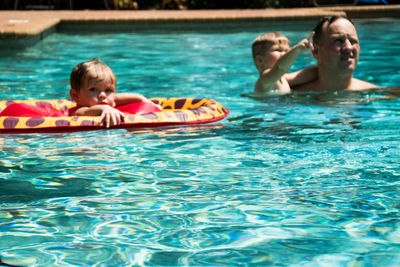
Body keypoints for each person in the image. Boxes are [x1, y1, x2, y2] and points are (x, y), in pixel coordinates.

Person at [292, 15, 377, 91]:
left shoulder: (375, 94)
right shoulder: (292, 96)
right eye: (338, 41)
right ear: (316, 51)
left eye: (353, 41)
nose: (348, 47)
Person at [69, 58, 161, 128]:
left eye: (108, 90)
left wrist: (145, 101)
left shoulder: (107, 100)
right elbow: (86, 112)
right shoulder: (78, 111)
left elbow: (121, 97)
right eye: (93, 89)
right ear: (75, 95)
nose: (103, 95)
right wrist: (104, 108)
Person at [251, 31, 316, 96]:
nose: (284, 54)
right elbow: (280, 67)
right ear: (260, 60)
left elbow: (307, 75)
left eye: (287, 51)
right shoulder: (264, 80)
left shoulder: (283, 78)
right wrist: (296, 49)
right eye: (279, 50)